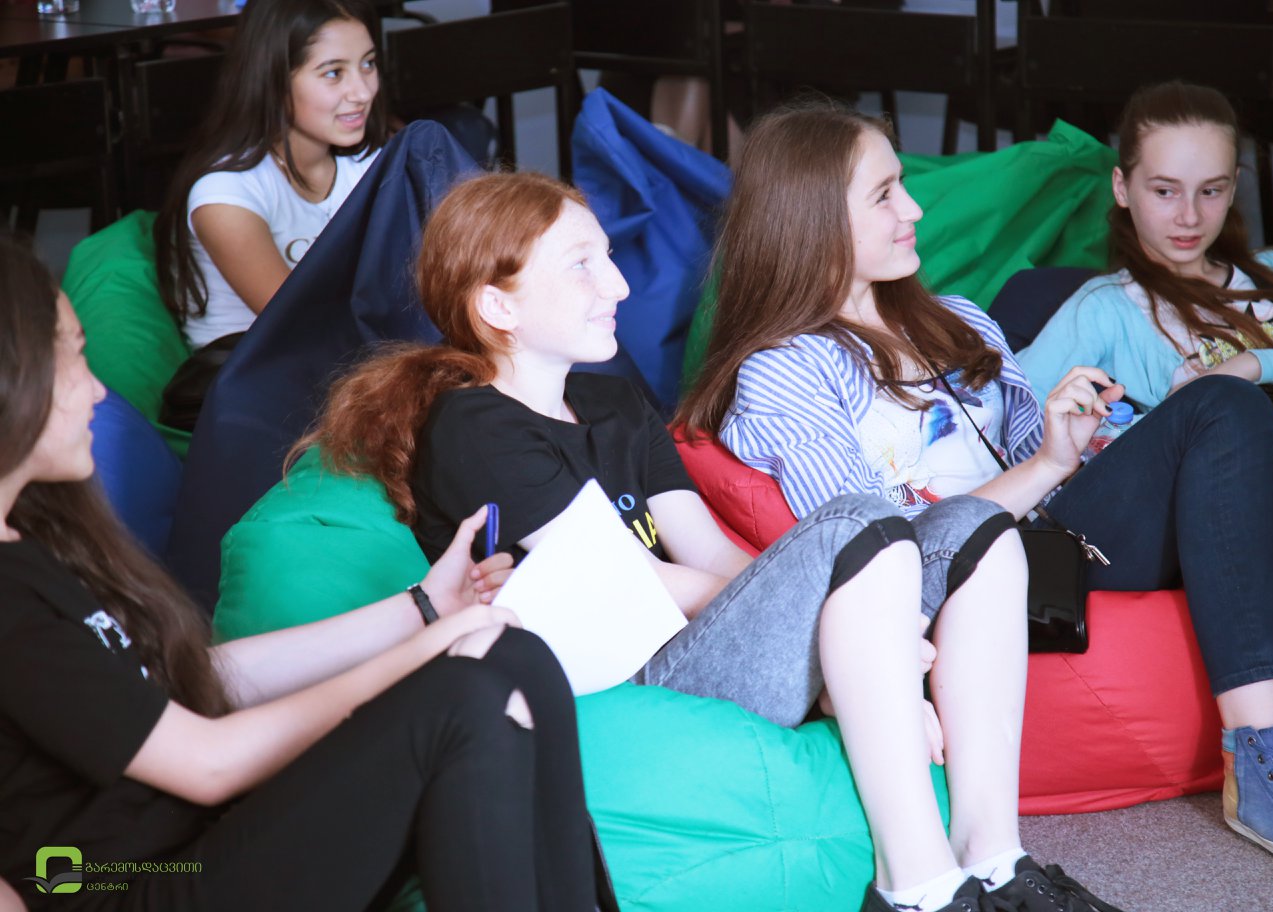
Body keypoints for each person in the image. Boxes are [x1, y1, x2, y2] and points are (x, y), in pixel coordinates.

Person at [301, 170, 1118, 912]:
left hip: (704, 642)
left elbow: (713, 557)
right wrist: (857, 632)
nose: (618, 284)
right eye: (582, 266)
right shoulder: (474, 425)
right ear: (499, 307)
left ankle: (995, 862)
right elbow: (631, 584)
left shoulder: (614, 404)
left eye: (607, 258)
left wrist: (854, 617)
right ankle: (921, 891)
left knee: (978, 527)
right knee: (855, 523)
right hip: (634, 673)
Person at [681, 96, 1273, 887]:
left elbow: (1032, 458)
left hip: (1063, 521)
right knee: (1223, 402)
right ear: (812, 219)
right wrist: (1043, 467)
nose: (914, 209)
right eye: (885, 194)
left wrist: (1074, 440)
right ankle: (1265, 760)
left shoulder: (958, 320)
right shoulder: (785, 371)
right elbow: (874, 556)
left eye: (904, 186)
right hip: (1002, 570)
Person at [0, 237, 599, 911]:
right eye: (74, 357)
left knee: (514, 652)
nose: (96, 388)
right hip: (131, 886)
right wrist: (424, 654)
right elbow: (207, 763)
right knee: (465, 697)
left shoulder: (36, 539)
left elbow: (185, 679)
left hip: (200, 842)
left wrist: (425, 608)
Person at [154, 0, 387, 351]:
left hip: (360, 361)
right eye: (333, 73)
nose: (363, 92)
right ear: (274, 80)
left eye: (368, 64)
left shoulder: (371, 165)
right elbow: (302, 331)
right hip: (256, 374)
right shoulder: (226, 195)